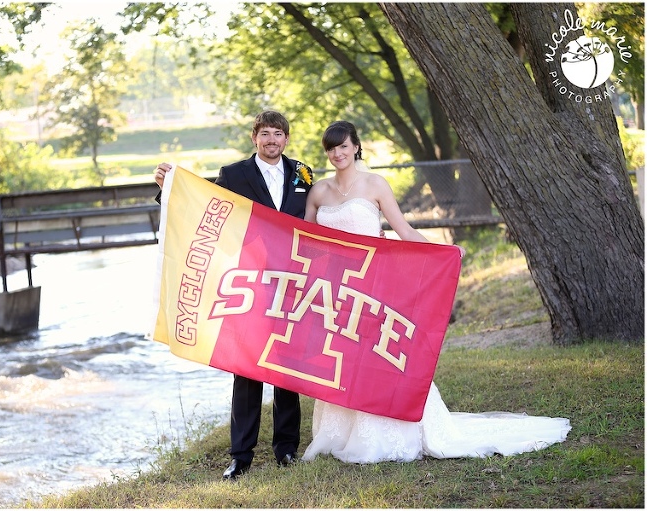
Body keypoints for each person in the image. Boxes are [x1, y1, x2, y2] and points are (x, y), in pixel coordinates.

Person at [301, 120, 571, 464]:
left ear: (355, 146)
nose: (337, 153)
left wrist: (443, 252)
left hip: (372, 285)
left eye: (343, 146)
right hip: (335, 290)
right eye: (331, 148)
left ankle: (389, 431)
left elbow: (403, 229)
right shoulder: (319, 192)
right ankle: (340, 432)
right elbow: (305, 241)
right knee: (342, 356)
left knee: (377, 355)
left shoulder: (375, 185)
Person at [153, 111, 313, 479]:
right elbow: (201, 208)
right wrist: (168, 188)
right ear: (255, 137)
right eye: (265, 134)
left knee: (286, 367)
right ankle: (241, 455)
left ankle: (286, 448)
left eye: (278, 134)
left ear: (286, 139)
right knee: (248, 369)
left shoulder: (302, 173)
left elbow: (315, 220)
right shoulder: (234, 174)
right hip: (249, 282)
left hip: (291, 281)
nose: (272, 140)